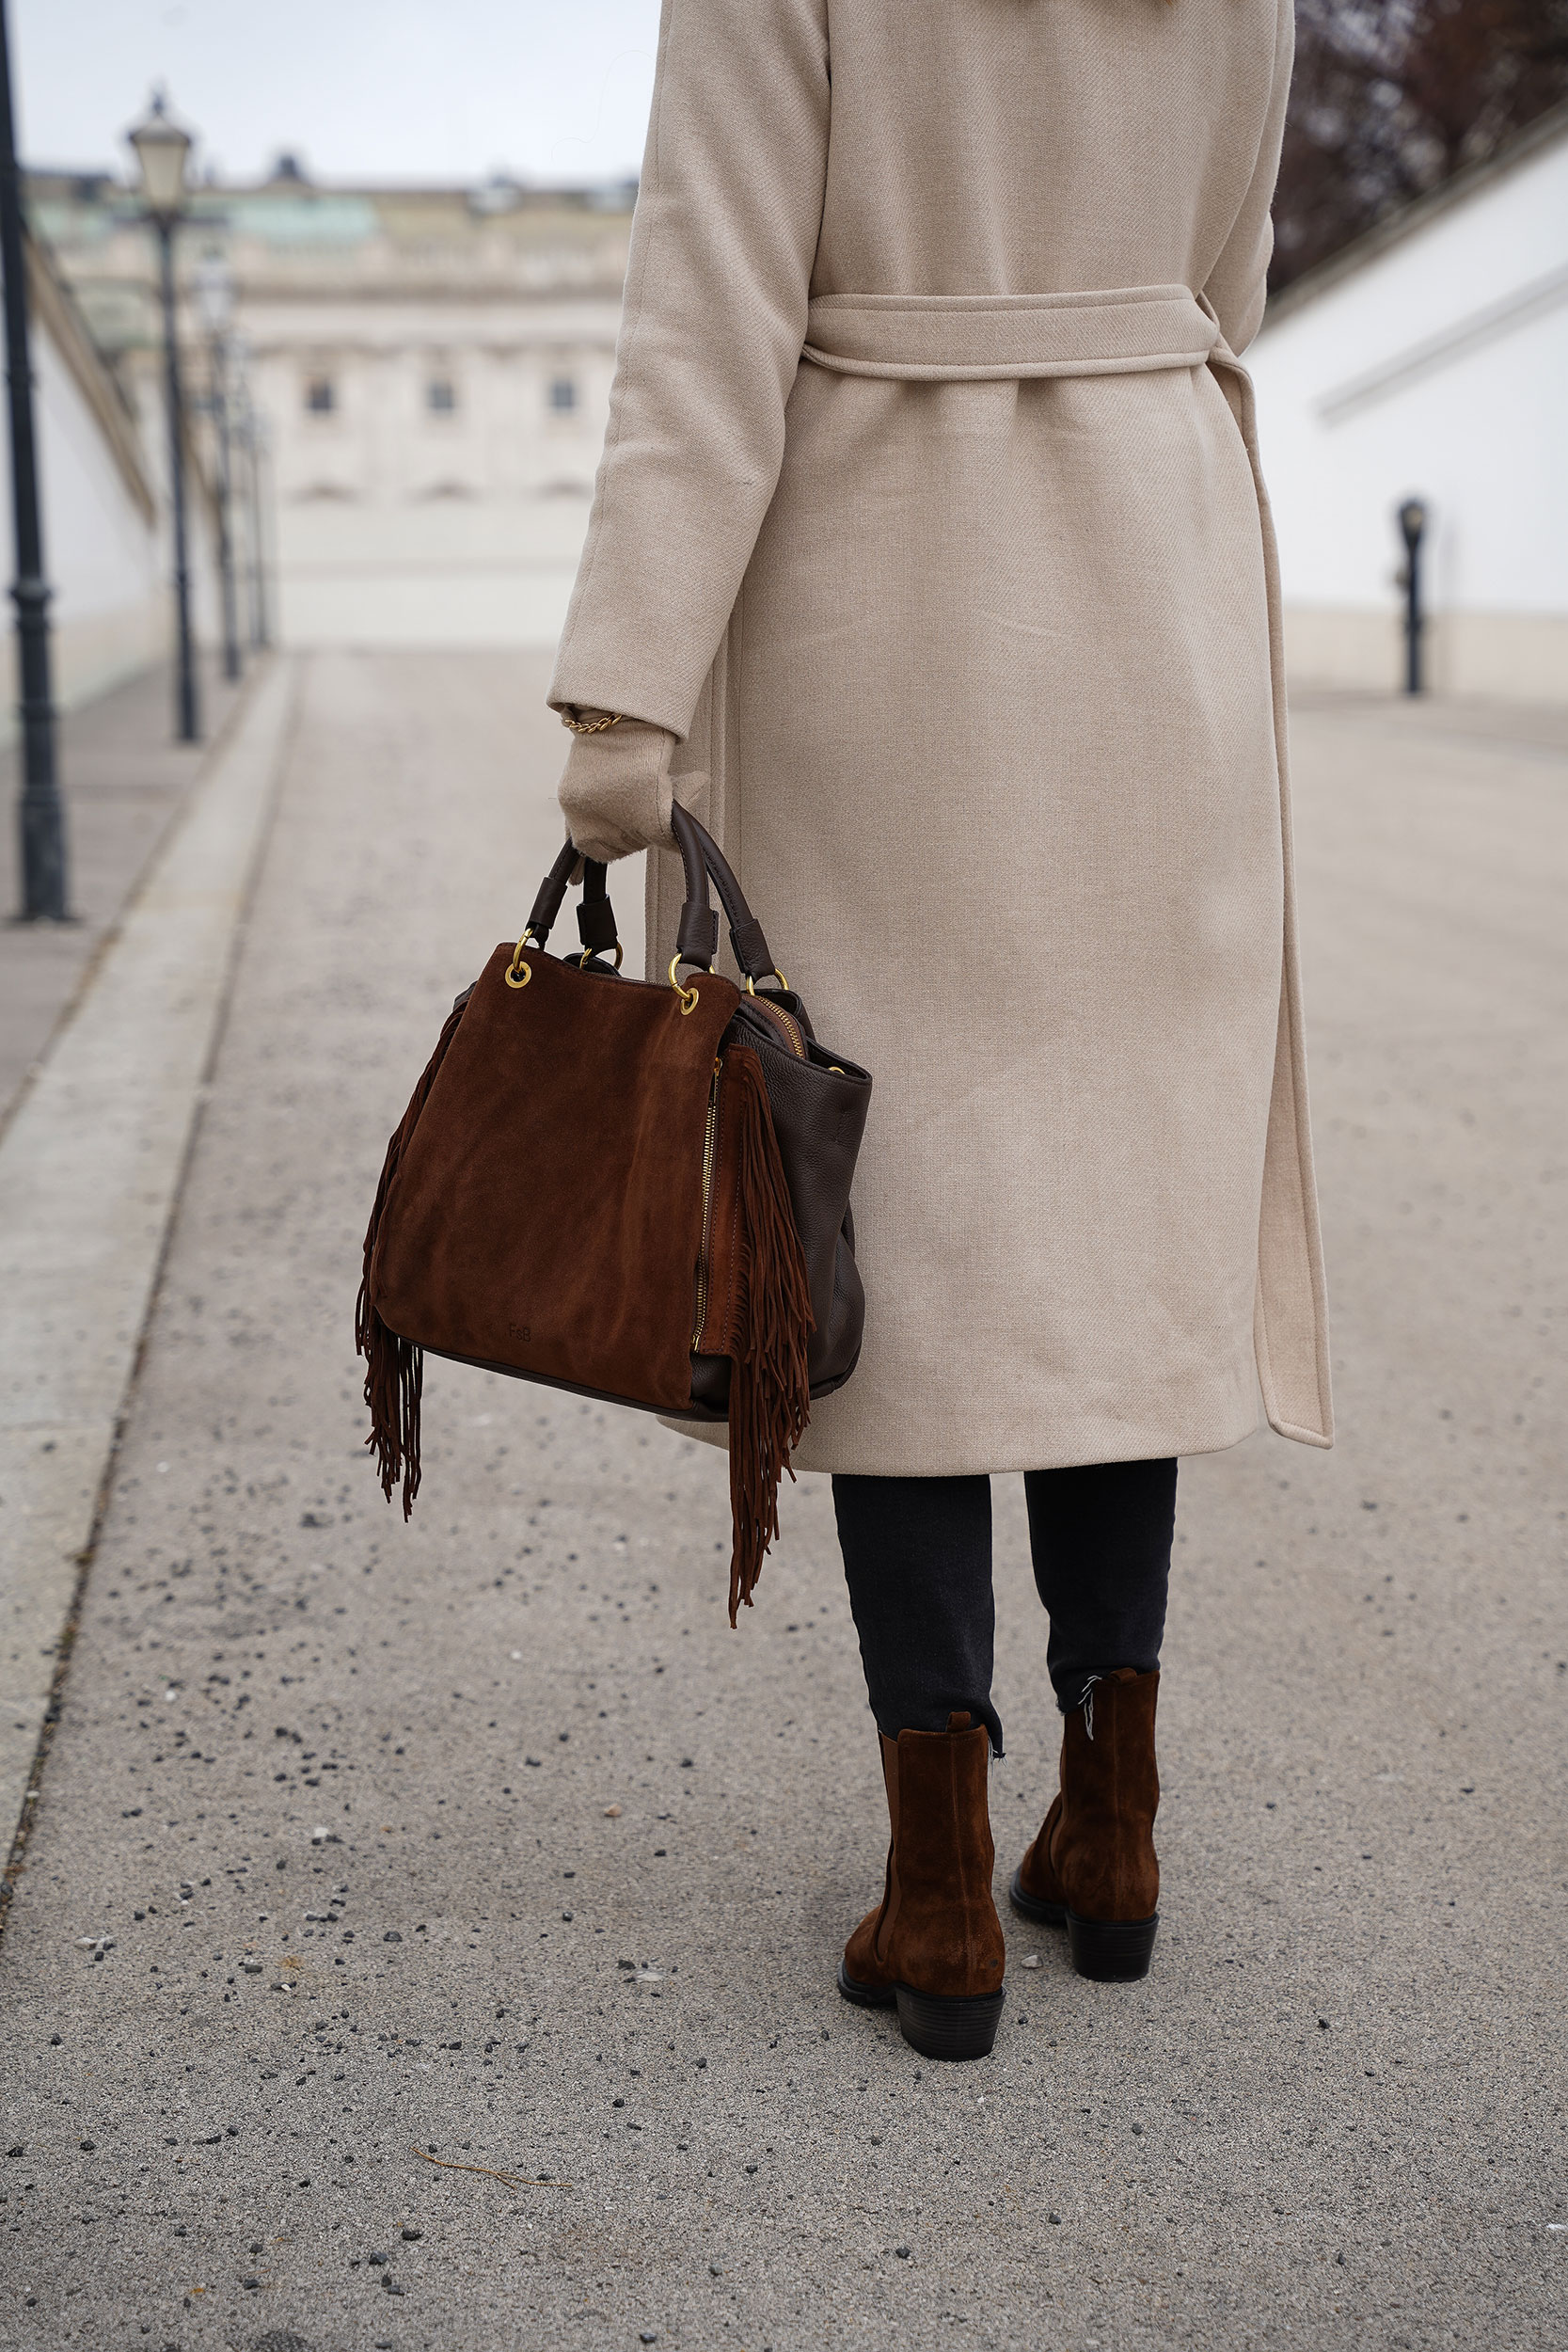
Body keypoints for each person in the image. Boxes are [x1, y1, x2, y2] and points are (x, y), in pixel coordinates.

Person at [548, 0, 1332, 2063]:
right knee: (1106, 1217)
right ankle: (1114, 1818)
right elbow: (1217, 291)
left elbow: (704, 317)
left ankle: (936, 1877)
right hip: (1155, 583)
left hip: (879, 603)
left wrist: (626, 691)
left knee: (881, 1220)